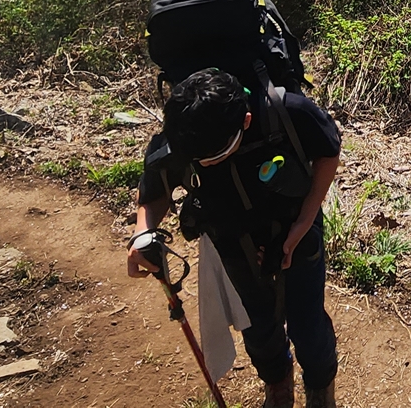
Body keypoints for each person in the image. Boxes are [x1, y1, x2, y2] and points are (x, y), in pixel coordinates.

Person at [128, 69, 344, 408]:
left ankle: (320, 390)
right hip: (229, 238)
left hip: (293, 227)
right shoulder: (185, 135)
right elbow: (156, 189)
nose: (206, 164)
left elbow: (328, 151)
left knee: (307, 322)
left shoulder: (286, 112)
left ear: (246, 120)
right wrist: (143, 232)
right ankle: (278, 384)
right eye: (200, 160)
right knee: (256, 324)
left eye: (216, 156)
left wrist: (303, 223)